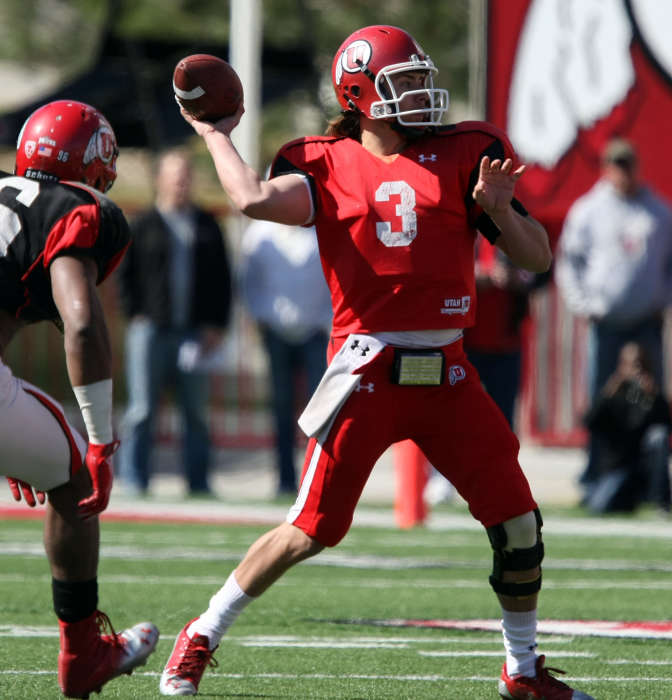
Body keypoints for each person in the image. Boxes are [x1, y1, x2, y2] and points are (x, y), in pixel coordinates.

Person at [158, 24, 594, 700]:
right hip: (365, 373)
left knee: (517, 521)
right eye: (405, 85)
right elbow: (248, 200)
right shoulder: (324, 161)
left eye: (422, 80)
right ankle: (203, 632)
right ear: (360, 95)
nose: (423, 94)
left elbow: (536, 257)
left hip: (448, 372)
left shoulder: (465, 155)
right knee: (313, 528)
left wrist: (500, 213)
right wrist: (216, 132)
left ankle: (523, 668)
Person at [0, 100, 158, 698]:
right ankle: (83, 652)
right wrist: (99, 439)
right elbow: (83, 325)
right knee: (73, 479)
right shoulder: (74, 207)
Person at [555, 137, 672, 499]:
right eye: (616, 165)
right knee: (601, 401)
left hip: (646, 321)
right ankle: (594, 475)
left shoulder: (658, 210)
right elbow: (570, 262)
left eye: (628, 164)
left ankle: (654, 481)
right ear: (606, 168)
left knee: (653, 399)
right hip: (606, 321)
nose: (623, 172)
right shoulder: (588, 210)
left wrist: (665, 301)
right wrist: (584, 304)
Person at [116, 149, 232, 496]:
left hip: (194, 334)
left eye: (185, 176)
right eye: (174, 176)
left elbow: (224, 279)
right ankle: (134, 481)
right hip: (150, 330)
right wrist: (134, 315)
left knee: (195, 413)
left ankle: (198, 483)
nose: (181, 183)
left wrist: (216, 325)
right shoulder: (144, 223)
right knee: (141, 410)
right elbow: (125, 277)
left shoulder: (207, 224)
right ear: (160, 181)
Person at [425, 238, 536, 506]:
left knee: (501, 419)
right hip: (464, 342)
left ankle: (500, 481)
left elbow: (541, 267)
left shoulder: (513, 222)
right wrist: (480, 277)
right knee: (452, 415)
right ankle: (443, 478)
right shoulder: (460, 224)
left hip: (505, 341)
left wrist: (517, 277)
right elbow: (439, 269)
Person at [239, 220, 330, 495]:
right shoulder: (259, 233)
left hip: (317, 332)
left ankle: (319, 480)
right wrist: (259, 318)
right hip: (275, 333)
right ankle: (285, 480)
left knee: (322, 411)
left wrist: (330, 320)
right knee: (281, 408)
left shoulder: (321, 230)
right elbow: (248, 281)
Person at [581, 342, 672, 514]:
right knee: (600, 506)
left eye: (639, 364)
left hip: (642, 465)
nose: (635, 370)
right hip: (618, 466)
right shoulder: (614, 395)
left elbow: (668, 426)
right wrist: (607, 395)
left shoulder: (652, 396)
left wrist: (652, 399)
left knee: (658, 436)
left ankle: (662, 503)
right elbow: (590, 423)